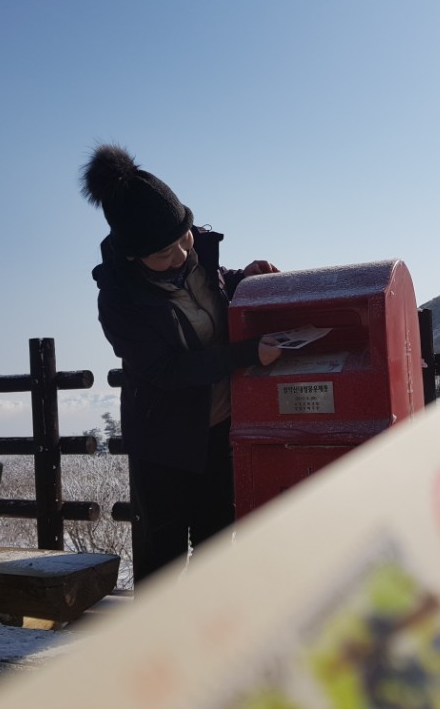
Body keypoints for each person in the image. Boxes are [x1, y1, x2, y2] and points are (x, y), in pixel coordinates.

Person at [80, 144, 282, 583]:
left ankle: (214, 640)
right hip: (164, 442)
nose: (179, 255)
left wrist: (244, 279)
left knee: (217, 544)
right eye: (161, 253)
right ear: (133, 256)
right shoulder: (119, 302)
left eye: (182, 238)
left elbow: (212, 299)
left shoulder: (198, 260)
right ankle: (157, 647)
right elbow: (165, 369)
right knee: (164, 558)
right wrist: (249, 354)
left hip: (220, 431)